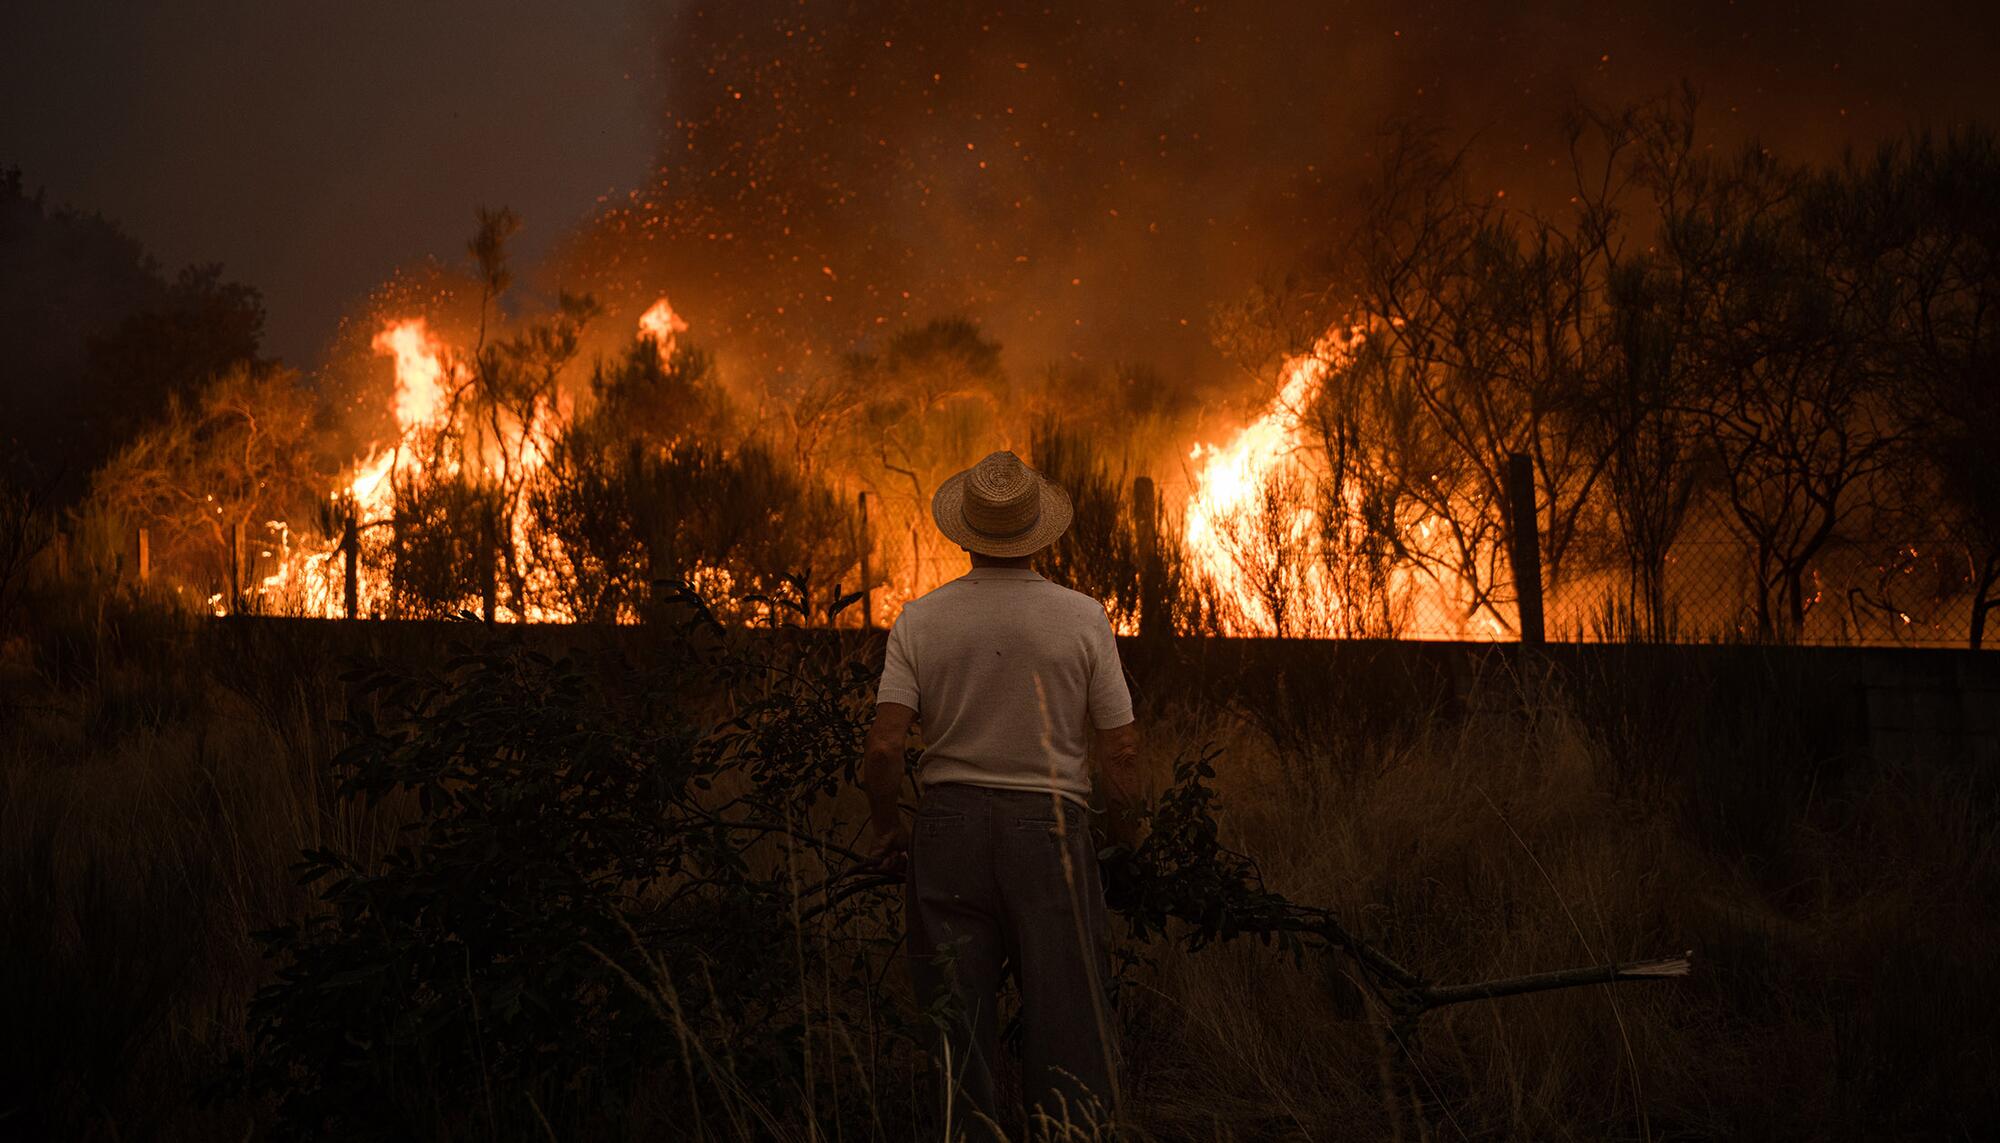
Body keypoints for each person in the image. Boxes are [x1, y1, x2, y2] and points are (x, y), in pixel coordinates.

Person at [860, 449, 1143, 1140]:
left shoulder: (920, 620)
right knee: (1067, 1025)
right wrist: (1122, 839)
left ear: (964, 535)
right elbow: (1123, 750)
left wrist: (891, 829)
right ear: (1040, 534)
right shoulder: (1082, 617)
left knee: (957, 1031)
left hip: (949, 830)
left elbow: (883, 746)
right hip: (1051, 832)